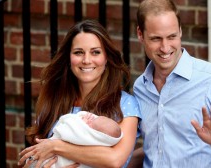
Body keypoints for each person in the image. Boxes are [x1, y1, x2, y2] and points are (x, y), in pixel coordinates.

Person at [131, 0, 211, 167]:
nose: (165, 47)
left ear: (180, 31)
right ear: (140, 34)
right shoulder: (141, 87)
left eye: (172, 36)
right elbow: (154, 149)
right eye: (156, 39)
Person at [17, 19, 141, 168]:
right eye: (78, 52)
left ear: (106, 58)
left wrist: (55, 147)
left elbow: (114, 160)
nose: (86, 60)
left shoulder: (125, 104)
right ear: (69, 58)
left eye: (95, 52)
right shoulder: (54, 102)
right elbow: (33, 158)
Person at [30, 111, 123, 168]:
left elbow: (67, 131)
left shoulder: (89, 137)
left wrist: (80, 123)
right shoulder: (52, 101)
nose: (91, 118)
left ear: (97, 135)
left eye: (93, 123)